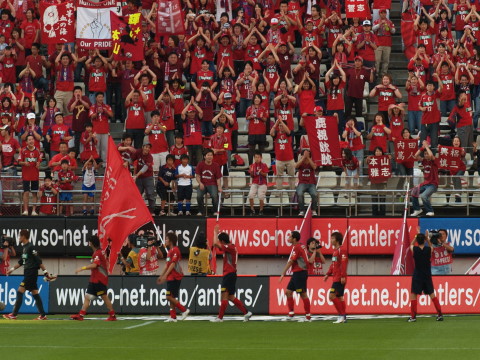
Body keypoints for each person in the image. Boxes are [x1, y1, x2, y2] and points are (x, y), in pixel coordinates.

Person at [3, 229, 51, 320]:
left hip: (31, 273)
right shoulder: (25, 248)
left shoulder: (31, 247)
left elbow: (38, 260)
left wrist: (45, 272)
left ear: (24, 236)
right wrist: (11, 270)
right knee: (35, 293)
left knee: (20, 291)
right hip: (29, 273)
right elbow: (21, 262)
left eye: (20, 236)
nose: (19, 238)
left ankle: (14, 314)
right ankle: (43, 315)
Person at [211, 224, 252, 322]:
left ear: (222, 241)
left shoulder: (229, 247)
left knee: (224, 295)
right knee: (230, 296)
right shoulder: (231, 247)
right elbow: (216, 244)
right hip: (231, 274)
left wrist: (215, 232)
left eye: (220, 241)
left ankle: (220, 318)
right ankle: (246, 313)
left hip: (229, 274)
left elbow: (214, 244)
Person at [70, 235, 117, 321]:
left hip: (99, 280)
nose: (88, 243)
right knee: (87, 297)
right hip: (94, 279)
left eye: (89, 241)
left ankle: (112, 315)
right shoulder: (100, 252)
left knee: (104, 297)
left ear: (91, 243)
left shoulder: (97, 253)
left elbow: (95, 265)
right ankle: (81, 315)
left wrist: (82, 268)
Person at [408, 233, 444, 322]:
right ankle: (440, 314)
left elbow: (411, 245)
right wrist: (428, 238)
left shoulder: (415, 249)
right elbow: (431, 246)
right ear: (424, 240)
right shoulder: (428, 249)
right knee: (432, 295)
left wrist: (416, 237)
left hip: (417, 275)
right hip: (427, 275)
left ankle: (413, 317)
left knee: (413, 295)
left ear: (417, 241)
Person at [157, 232, 190, 322]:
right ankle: (173, 317)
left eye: (167, 239)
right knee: (171, 297)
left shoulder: (175, 250)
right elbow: (166, 265)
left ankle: (184, 310)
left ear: (171, 241)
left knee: (168, 296)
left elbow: (172, 264)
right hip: (171, 277)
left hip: (175, 276)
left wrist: (165, 275)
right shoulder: (169, 252)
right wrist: (162, 275)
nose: (165, 241)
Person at [279, 230, 311, 321]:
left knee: (303, 294)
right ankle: (291, 313)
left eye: (290, 237)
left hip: (300, 273)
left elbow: (291, 261)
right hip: (297, 273)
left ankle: (308, 316)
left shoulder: (297, 247)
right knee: (288, 292)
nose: (288, 238)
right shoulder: (300, 246)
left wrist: (283, 273)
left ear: (294, 239)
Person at [324, 231, 348, 324]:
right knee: (340, 297)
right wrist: (328, 274)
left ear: (337, 240)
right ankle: (343, 316)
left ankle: (341, 315)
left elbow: (343, 263)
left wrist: (342, 276)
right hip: (336, 277)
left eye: (332, 238)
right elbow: (333, 264)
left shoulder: (342, 250)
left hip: (339, 278)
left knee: (332, 295)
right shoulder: (335, 251)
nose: (331, 240)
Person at [411, 141, 439, 217]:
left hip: (433, 184)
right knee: (414, 191)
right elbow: (415, 155)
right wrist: (422, 147)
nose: (426, 155)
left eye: (427, 154)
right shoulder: (424, 161)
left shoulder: (435, 161)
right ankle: (417, 209)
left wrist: (426, 146)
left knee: (423, 196)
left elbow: (431, 155)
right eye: (425, 154)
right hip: (425, 183)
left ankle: (430, 211)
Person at [18, 134, 42, 216]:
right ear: (26, 142)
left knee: (34, 193)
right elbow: (19, 161)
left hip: (35, 175)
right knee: (26, 192)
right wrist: (24, 163)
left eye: (32, 139)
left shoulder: (38, 151)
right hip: (26, 176)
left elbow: (39, 160)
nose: (31, 141)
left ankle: (34, 210)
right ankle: (25, 210)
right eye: (29, 140)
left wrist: (38, 163)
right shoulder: (23, 150)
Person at [196, 149, 222, 216]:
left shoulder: (216, 165)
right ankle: (201, 211)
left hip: (212, 184)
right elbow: (197, 176)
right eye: (208, 155)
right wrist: (200, 183)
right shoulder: (200, 164)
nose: (210, 157)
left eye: (211, 155)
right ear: (204, 156)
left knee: (214, 196)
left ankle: (214, 210)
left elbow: (218, 178)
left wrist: (219, 187)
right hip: (203, 184)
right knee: (199, 196)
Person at [132, 143, 156, 215]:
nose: (147, 149)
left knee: (150, 194)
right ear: (143, 147)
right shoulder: (138, 152)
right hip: (139, 178)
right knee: (137, 195)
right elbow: (132, 158)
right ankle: (137, 210)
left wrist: (136, 175)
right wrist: (126, 162)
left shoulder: (150, 157)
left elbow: (145, 168)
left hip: (148, 177)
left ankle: (151, 211)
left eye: (149, 148)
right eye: (146, 147)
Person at [295, 149, 318, 216]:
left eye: (308, 155)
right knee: (299, 194)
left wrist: (308, 157)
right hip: (302, 183)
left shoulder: (312, 162)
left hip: (311, 183)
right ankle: (302, 210)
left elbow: (314, 167)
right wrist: (303, 158)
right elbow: (296, 166)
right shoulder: (300, 162)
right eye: (304, 154)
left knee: (314, 194)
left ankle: (313, 210)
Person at [248, 151, 269, 215]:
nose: (257, 159)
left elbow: (265, 175)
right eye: (256, 157)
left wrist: (261, 172)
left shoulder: (264, 165)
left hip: (263, 183)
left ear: (261, 158)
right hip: (255, 183)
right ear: (254, 158)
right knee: (250, 195)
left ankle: (261, 210)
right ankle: (252, 210)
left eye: (258, 157)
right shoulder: (252, 166)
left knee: (261, 196)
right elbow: (252, 176)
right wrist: (251, 171)